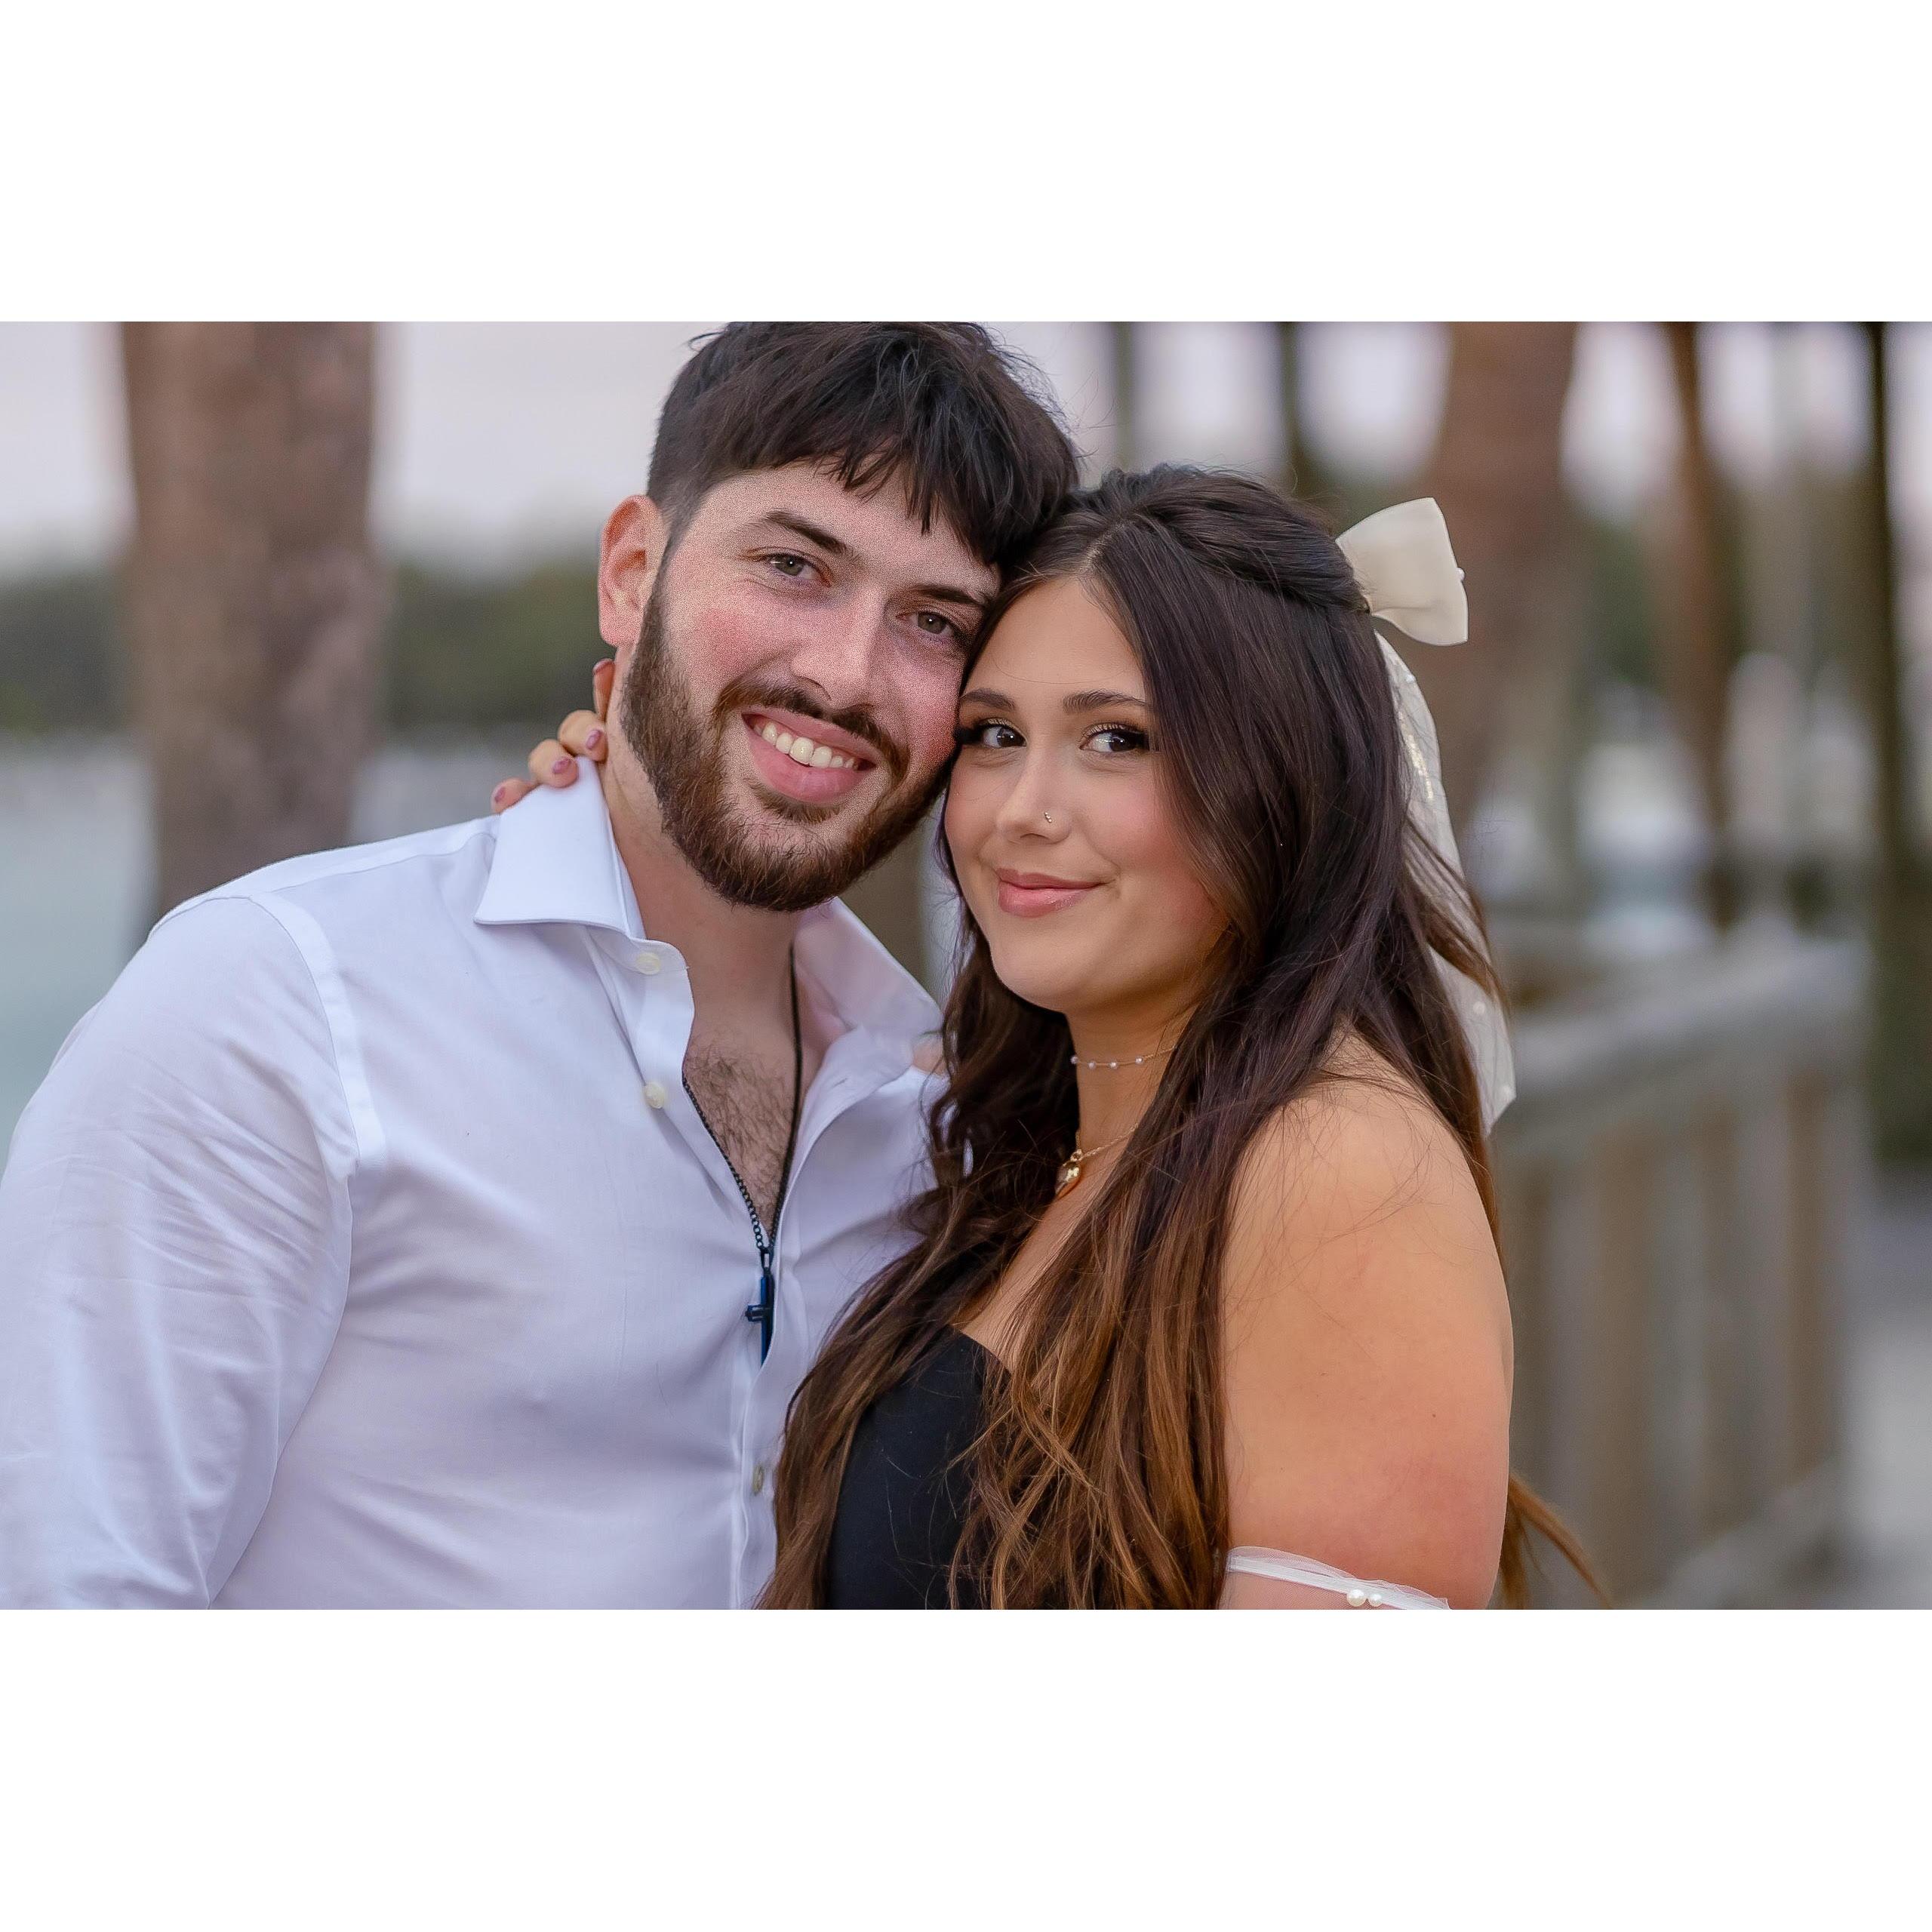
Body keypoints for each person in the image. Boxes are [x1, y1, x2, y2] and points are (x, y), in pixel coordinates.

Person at [0, 322, 1078, 1607]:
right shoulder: (280, 1005)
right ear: (632, 573)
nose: (847, 676)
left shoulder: (933, 1125)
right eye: (794, 566)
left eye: (934, 622)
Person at [503, 470, 1601, 1609]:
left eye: (1116, 739)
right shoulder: (1034, 1139)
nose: (1024, 809)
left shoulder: (1336, 1171)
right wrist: (623, 831)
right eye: (994, 735)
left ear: (1286, 777)